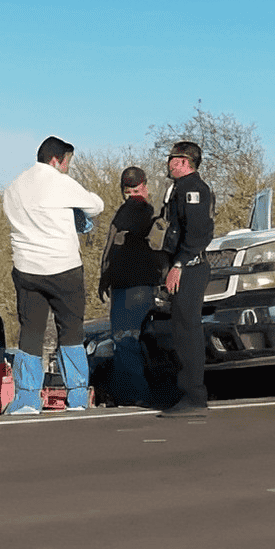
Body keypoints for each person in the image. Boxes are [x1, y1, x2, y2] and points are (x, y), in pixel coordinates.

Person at [2, 136, 106, 413]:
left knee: (31, 331)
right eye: (67, 163)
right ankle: (77, 396)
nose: (67, 169)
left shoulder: (14, 186)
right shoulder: (59, 181)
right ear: (56, 160)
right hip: (63, 267)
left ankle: (26, 397)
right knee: (70, 330)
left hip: (27, 269)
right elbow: (95, 206)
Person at [98, 166, 166, 407]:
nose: (132, 195)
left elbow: (111, 248)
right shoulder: (149, 211)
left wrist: (104, 278)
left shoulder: (131, 212)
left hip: (130, 284)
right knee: (132, 340)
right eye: (130, 191)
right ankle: (138, 393)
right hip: (135, 283)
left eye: (133, 190)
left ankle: (134, 393)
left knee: (126, 340)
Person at [159, 141, 216, 417]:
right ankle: (187, 392)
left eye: (172, 159)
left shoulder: (193, 189)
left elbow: (198, 233)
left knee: (188, 330)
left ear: (183, 161)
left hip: (190, 267)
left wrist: (179, 264)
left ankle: (194, 395)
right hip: (183, 266)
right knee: (181, 330)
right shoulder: (179, 189)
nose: (168, 163)